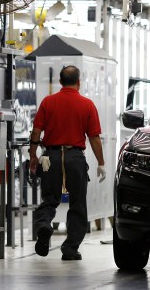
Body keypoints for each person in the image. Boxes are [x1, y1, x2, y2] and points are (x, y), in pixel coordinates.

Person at [29, 65, 106, 261]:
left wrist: (33, 156)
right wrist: (101, 163)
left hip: (51, 158)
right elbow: (94, 137)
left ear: (60, 82)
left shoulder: (48, 102)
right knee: (78, 203)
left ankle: (44, 225)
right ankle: (70, 248)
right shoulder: (87, 104)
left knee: (49, 200)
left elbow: (36, 132)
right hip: (75, 158)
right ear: (79, 83)